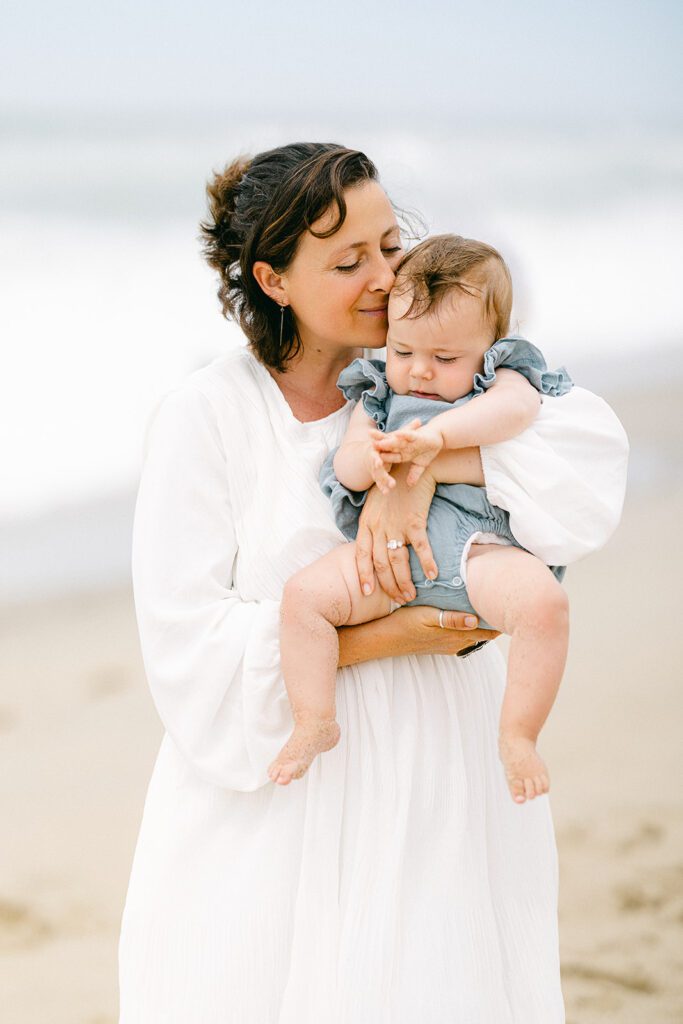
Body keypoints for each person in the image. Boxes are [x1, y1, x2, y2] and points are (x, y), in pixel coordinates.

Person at [118, 142, 628, 1023]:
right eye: (348, 260)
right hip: (283, 796)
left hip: (444, 773)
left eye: (390, 245)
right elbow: (184, 646)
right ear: (273, 281)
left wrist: (432, 461)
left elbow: (582, 472)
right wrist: (386, 635)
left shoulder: (451, 373)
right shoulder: (206, 416)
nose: (386, 275)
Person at [268, 234, 575, 803]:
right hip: (390, 566)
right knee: (304, 600)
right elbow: (349, 466)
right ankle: (314, 718)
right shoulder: (379, 390)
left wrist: (436, 438)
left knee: (544, 607)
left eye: (445, 359)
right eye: (404, 351)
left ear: (491, 347)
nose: (421, 373)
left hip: (479, 555)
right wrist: (373, 457)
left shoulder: (502, 377)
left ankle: (519, 734)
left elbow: (516, 411)